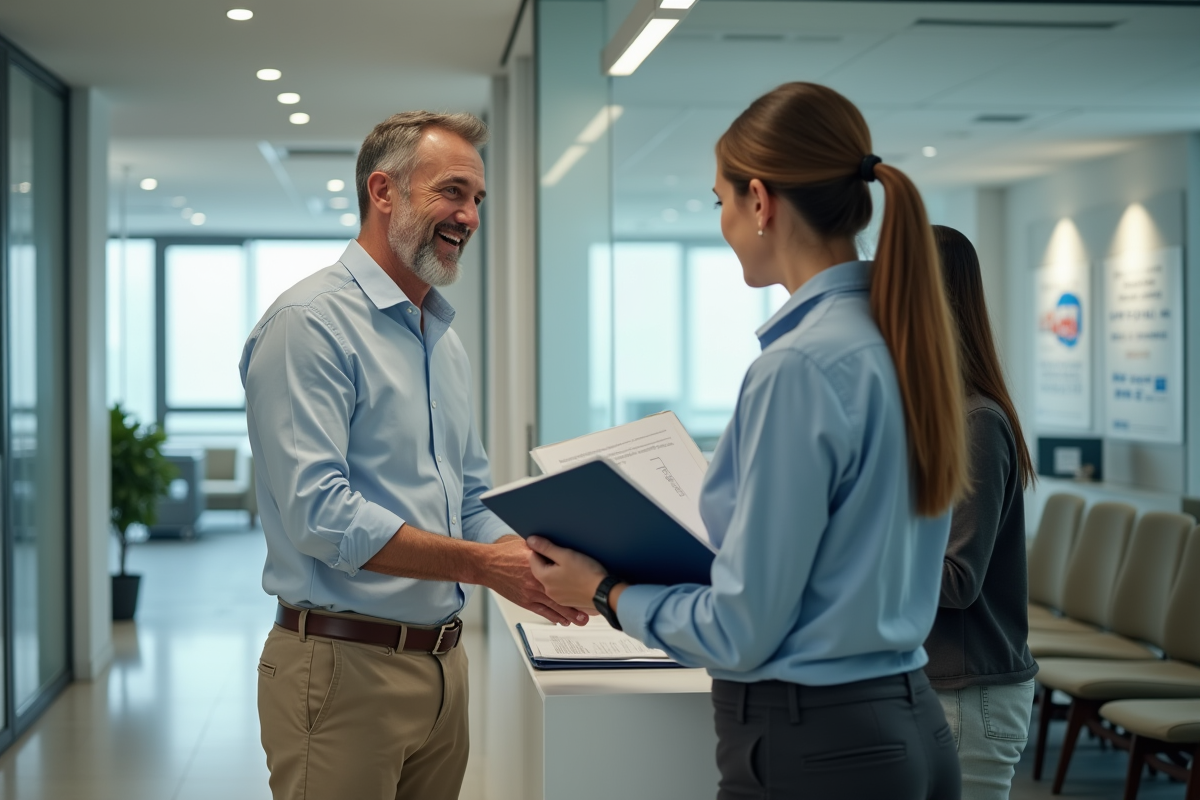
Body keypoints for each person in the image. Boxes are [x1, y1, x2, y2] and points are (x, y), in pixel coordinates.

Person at [529, 81, 967, 800]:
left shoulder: (798, 366)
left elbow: (741, 630)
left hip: (817, 745)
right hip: (908, 722)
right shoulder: (901, 341)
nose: (724, 222)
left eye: (720, 201)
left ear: (759, 201)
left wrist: (604, 590)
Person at [240, 111, 588, 800]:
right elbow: (321, 514)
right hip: (341, 670)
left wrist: (543, 561)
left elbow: (467, 497)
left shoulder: (440, 338)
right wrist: (488, 566)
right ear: (383, 191)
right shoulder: (306, 325)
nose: (470, 216)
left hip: (441, 671)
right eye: (453, 192)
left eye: (478, 199)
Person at [924, 225, 1038, 800]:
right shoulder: (930, 421)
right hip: (933, 685)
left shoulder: (975, 423)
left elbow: (958, 580)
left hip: (968, 697)